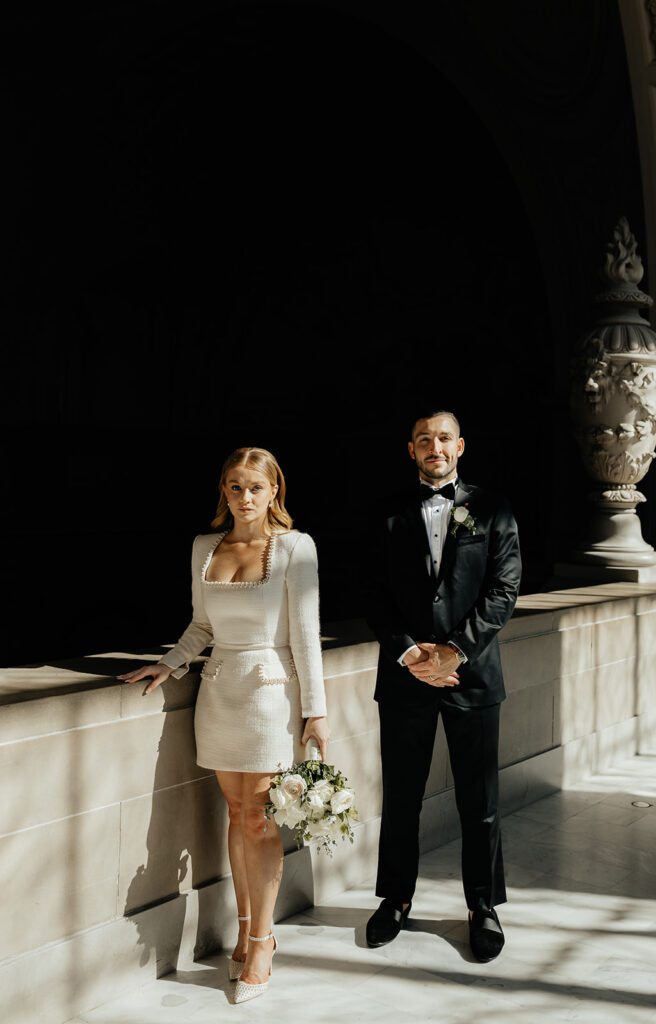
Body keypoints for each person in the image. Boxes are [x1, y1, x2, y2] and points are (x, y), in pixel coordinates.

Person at [119, 447, 330, 1003]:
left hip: (269, 695)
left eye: (255, 488)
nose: (245, 498)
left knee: (258, 818)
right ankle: (244, 929)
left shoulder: (294, 548)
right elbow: (202, 624)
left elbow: (307, 637)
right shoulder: (203, 548)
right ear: (224, 492)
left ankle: (263, 940)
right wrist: (169, 663)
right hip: (219, 691)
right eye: (235, 487)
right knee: (237, 814)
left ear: (274, 492)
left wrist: (317, 711)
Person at [364, 410, 521, 962]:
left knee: (479, 801)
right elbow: (373, 593)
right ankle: (395, 901)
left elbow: (504, 590)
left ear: (461, 446)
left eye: (444, 438)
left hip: (472, 674)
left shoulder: (494, 509)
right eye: (424, 439)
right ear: (411, 450)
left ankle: (483, 906)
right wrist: (410, 653)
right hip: (405, 675)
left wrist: (454, 651)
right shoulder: (386, 515)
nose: (436, 446)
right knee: (402, 795)